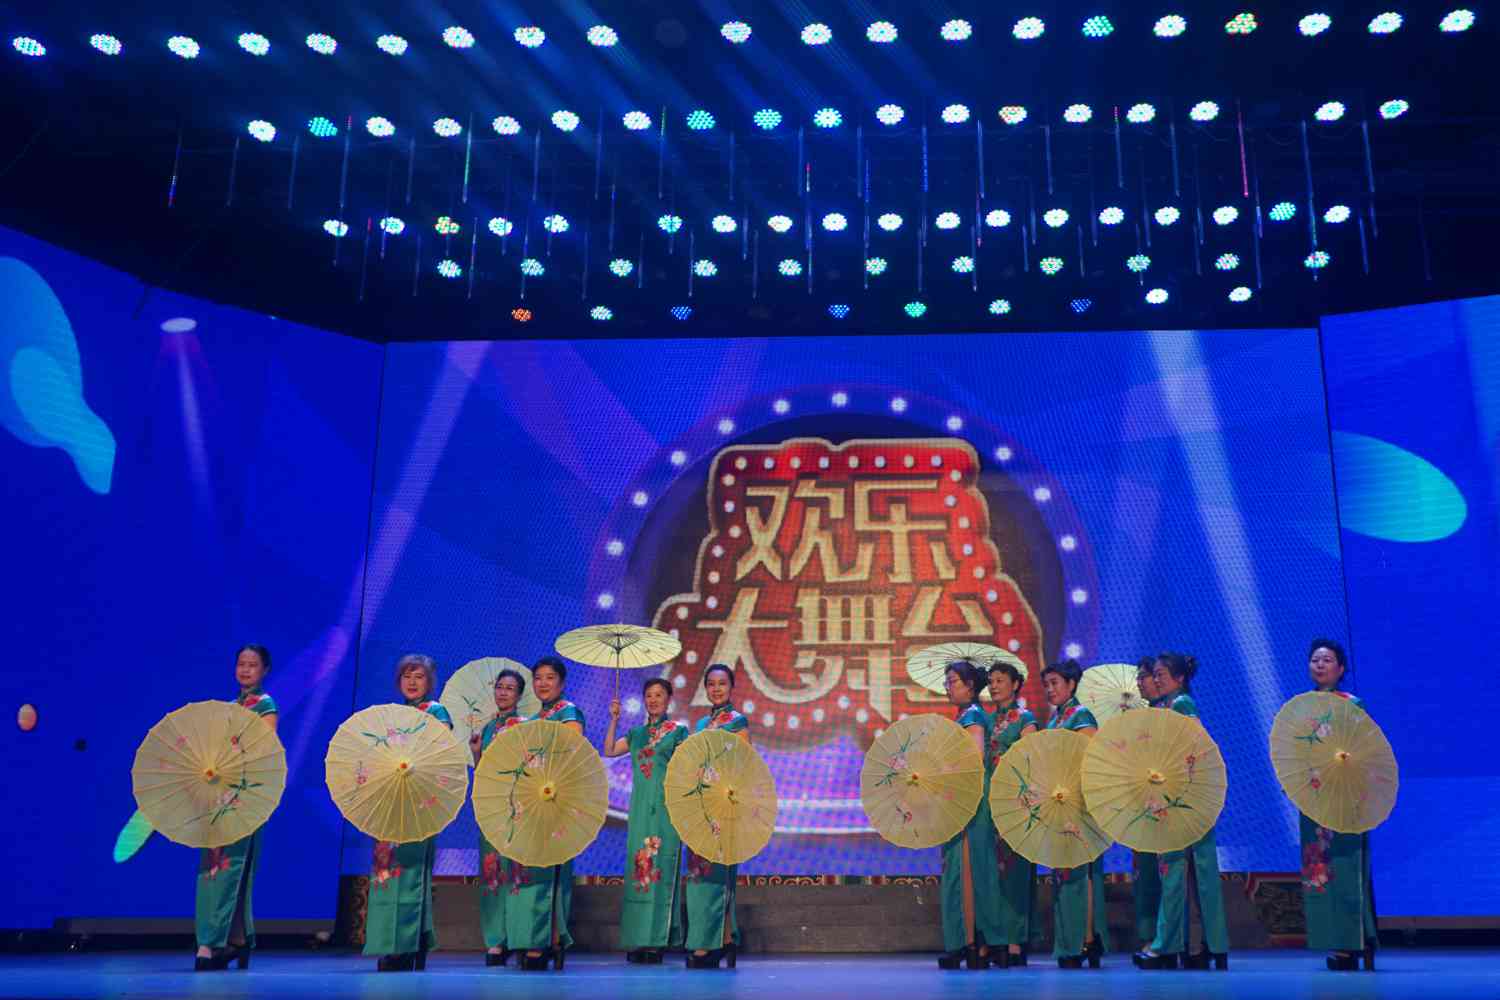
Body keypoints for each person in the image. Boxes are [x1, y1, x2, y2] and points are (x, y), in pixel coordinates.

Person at [1134, 653, 1230, 971]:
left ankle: (1171, 946)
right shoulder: (1166, 706)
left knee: (1182, 871)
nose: (1156, 679)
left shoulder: (1182, 704)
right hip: (1176, 795)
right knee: (1182, 871)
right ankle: (1201, 946)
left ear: (1180, 678)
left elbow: (1196, 747)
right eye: (1155, 674)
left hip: (1184, 797)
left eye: (1161, 674)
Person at [365, 654, 453, 972]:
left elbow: (442, 754)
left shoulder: (436, 712)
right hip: (390, 799)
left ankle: (406, 944)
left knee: (410, 873)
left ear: (430, 681)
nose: (412, 682)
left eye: (419, 676)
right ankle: (393, 943)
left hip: (418, 800)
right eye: (406, 676)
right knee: (385, 871)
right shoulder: (392, 715)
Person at [194, 644, 278, 971]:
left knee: (231, 867)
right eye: (241, 663)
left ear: (265, 670)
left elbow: (264, 747)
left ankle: (213, 943)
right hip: (220, 792)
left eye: (252, 665)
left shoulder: (265, 704)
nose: (245, 669)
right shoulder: (228, 707)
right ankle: (236, 940)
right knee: (214, 866)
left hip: (245, 794)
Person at [1301, 639, 1378, 972]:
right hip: (1314, 797)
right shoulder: (1301, 708)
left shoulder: (1352, 704)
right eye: (1315, 660)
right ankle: (1337, 939)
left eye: (1327, 660)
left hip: (1345, 796)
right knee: (1320, 871)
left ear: (1341, 668)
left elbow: (1367, 748)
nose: (1320, 665)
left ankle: (1355, 941)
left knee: (1347, 870)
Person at [603, 677, 689, 963]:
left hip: (666, 808)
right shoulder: (636, 734)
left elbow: (688, 768)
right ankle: (638, 938)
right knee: (639, 871)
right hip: (639, 809)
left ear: (669, 700)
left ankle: (657, 940)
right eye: (649, 695)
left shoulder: (678, 732)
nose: (653, 700)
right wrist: (614, 719)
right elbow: (609, 750)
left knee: (661, 869)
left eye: (659, 695)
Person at [507, 656, 585, 971]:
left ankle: (548, 939)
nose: (542, 683)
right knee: (530, 867)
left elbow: (572, 751)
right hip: (533, 799)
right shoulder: (532, 720)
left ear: (561, 683)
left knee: (550, 869)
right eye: (538, 677)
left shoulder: (569, 713)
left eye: (549, 677)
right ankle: (530, 937)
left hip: (557, 797)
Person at [937, 660, 1005, 970]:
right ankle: (968, 941)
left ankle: (975, 942)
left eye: (953, 681)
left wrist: (943, 768)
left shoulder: (974, 716)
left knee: (969, 869)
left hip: (970, 799)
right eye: (947, 682)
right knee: (959, 868)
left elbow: (974, 759)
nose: (947, 687)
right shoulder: (965, 716)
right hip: (960, 798)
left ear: (970, 686)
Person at [683, 664, 750, 969]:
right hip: (701, 804)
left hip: (724, 802)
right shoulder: (700, 724)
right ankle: (718, 940)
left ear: (731, 687)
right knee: (698, 875)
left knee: (717, 874)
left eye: (722, 683)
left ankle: (715, 941)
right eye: (711, 684)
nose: (716, 689)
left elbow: (746, 761)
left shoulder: (737, 721)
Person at [1042, 659, 1108, 969]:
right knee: (1064, 873)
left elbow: (1090, 758)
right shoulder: (1056, 719)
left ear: (1071, 684)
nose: (1049, 689)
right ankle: (1071, 942)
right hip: (1060, 800)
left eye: (1055, 683)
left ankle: (1086, 940)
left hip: (1079, 801)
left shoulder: (1081, 716)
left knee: (1081, 871)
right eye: (1046, 684)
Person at [471, 668, 529, 967]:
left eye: (510, 688)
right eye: (500, 687)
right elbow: (483, 771)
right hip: (492, 805)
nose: (503, 692)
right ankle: (496, 939)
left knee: (517, 870)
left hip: (517, 804)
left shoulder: (525, 726)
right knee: (492, 872)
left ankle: (519, 936)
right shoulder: (488, 728)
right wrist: (476, 752)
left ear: (519, 695)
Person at [986, 659, 1038, 967]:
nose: (993, 686)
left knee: (1015, 871)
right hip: (991, 802)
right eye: (991, 681)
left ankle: (1016, 941)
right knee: (995, 872)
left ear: (1015, 684)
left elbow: (1031, 758)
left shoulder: (1026, 718)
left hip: (1016, 802)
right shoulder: (988, 720)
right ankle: (997, 938)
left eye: (1000, 680)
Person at [1132, 657, 1165, 950]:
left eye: (1146, 676)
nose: (1141, 682)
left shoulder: (1174, 709)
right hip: (1143, 799)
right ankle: (1149, 935)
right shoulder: (1144, 714)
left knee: (1161, 870)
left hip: (1163, 799)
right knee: (1144, 870)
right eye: (1140, 677)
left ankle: (1163, 938)